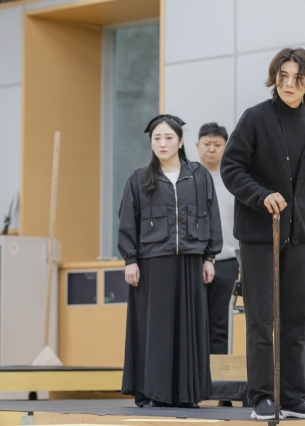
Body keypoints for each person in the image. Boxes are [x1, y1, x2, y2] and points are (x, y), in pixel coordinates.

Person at [221, 47, 305, 420]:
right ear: (275, 77)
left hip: (296, 234)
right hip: (258, 234)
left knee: (297, 318)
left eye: (298, 77)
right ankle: (262, 396)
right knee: (262, 319)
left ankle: (293, 397)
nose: (289, 83)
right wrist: (261, 195)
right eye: (283, 75)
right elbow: (231, 168)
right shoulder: (256, 118)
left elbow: (297, 181)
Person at [118, 114, 223, 408]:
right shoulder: (139, 179)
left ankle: (187, 394)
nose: (162, 143)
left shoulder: (199, 175)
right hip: (152, 264)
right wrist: (130, 260)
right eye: (156, 138)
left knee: (190, 329)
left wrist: (209, 257)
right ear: (151, 143)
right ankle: (155, 392)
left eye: (167, 138)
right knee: (156, 330)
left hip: (191, 262)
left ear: (180, 141)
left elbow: (212, 217)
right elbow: (127, 221)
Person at [196, 122, 239, 355]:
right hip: (195, 260)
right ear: (197, 146)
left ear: (226, 146)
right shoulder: (189, 178)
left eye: (217, 144)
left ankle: (218, 379)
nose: (211, 149)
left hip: (227, 261)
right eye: (206, 144)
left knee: (221, 323)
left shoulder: (234, 181)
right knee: (195, 322)